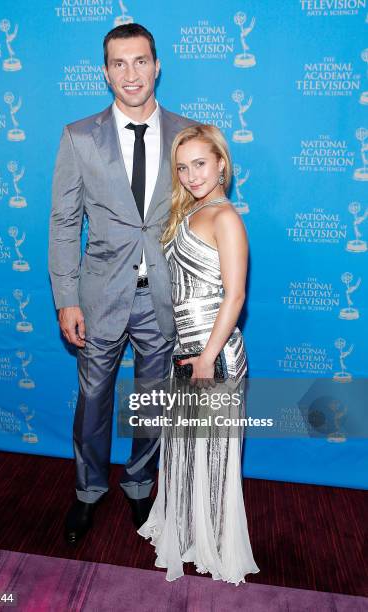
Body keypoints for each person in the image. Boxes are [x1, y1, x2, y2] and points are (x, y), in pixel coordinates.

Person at [48, 23, 196, 545]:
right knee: (93, 402)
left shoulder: (188, 135)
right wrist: (66, 299)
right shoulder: (79, 136)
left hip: (163, 296)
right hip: (99, 294)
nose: (131, 74)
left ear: (157, 66)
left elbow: (205, 218)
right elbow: (65, 223)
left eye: (140, 62)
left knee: (152, 400)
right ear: (105, 72)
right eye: (119, 63)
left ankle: (139, 486)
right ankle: (88, 491)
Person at [138, 125, 260, 585]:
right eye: (183, 167)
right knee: (187, 450)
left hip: (215, 355)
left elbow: (234, 296)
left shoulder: (225, 217)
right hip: (186, 352)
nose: (191, 175)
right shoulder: (191, 210)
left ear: (222, 164)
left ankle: (214, 543)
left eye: (201, 164)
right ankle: (188, 532)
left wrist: (208, 357)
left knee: (213, 454)